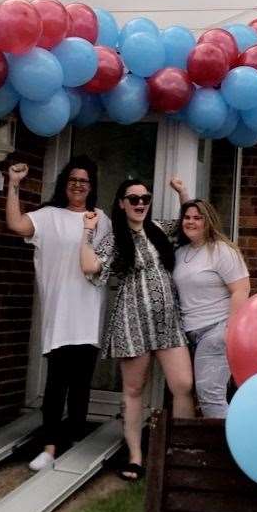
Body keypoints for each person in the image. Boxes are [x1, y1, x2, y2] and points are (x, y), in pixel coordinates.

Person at [80, 178, 194, 481]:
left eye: (145, 198)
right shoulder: (116, 237)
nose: (140, 203)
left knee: (182, 385)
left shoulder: (158, 228)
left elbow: (188, 223)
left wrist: (183, 193)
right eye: (133, 199)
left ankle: (180, 453)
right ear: (121, 203)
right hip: (132, 321)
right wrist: (87, 233)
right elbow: (90, 266)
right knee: (133, 391)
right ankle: (135, 456)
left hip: (168, 322)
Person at [6, 155, 111, 471]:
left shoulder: (101, 219)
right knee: (56, 383)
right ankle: (49, 447)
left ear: (91, 187)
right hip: (59, 312)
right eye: (73, 180)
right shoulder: (48, 216)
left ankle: (75, 442)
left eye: (84, 181)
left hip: (89, 311)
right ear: (65, 184)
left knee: (81, 383)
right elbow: (16, 224)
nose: (79, 185)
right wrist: (13, 185)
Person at [172, 199, 250, 419]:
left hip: (215, 332)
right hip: (189, 334)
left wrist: (229, 331)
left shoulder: (221, 251)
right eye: (187, 217)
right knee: (201, 396)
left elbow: (242, 289)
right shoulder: (181, 253)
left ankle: (227, 450)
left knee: (210, 397)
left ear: (208, 221)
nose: (191, 222)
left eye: (198, 218)